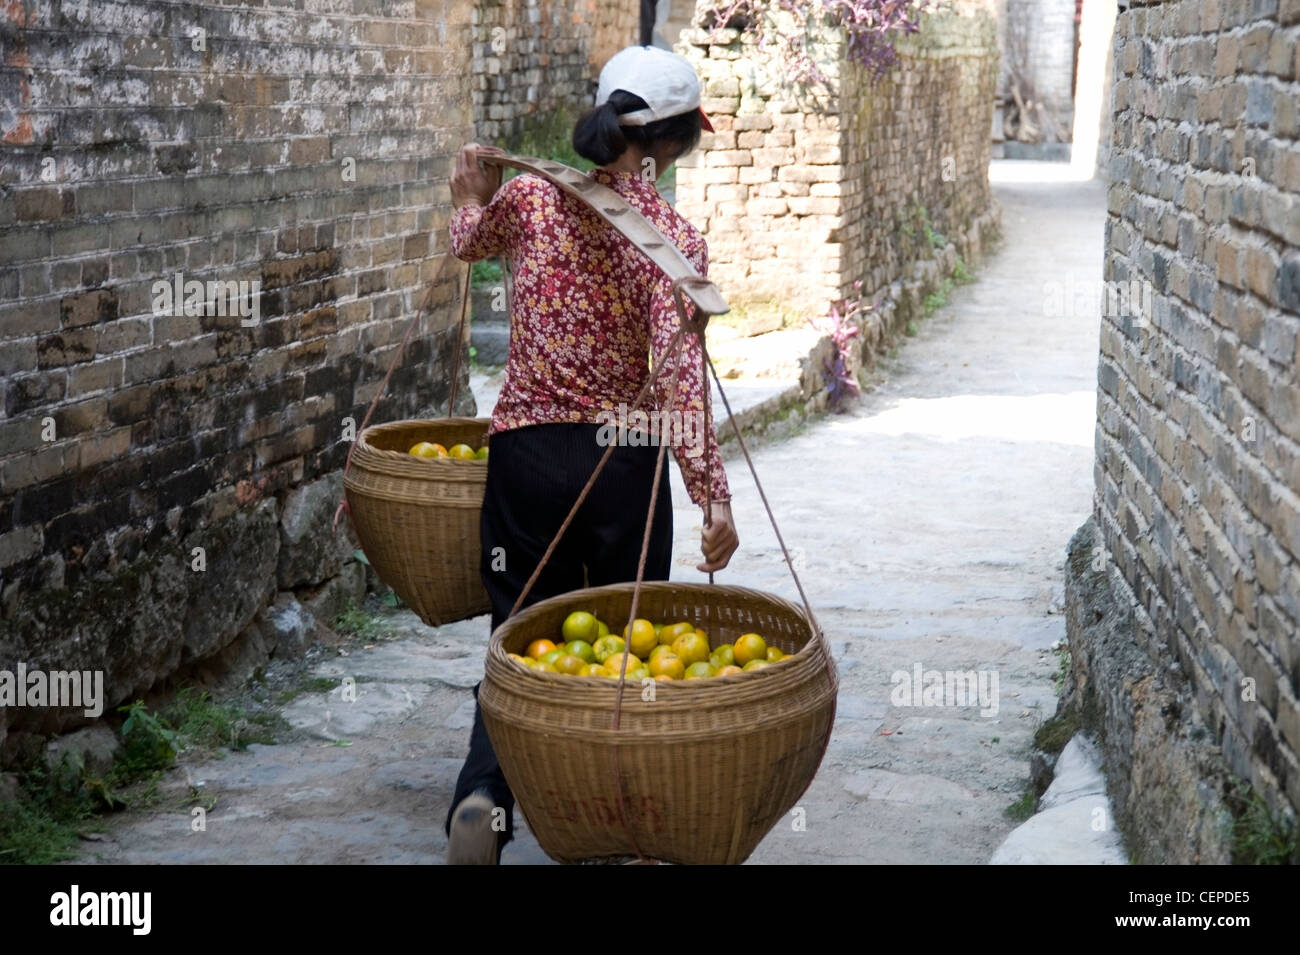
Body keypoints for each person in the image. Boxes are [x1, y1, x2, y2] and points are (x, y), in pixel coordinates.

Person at [442, 44, 739, 865]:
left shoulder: (532, 197)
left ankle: (484, 799)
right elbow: (681, 382)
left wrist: (470, 197)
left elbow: (469, 241)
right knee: (623, 645)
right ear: (672, 144)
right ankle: (608, 812)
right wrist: (712, 495)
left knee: (519, 640)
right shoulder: (670, 239)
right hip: (624, 469)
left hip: (526, 456)